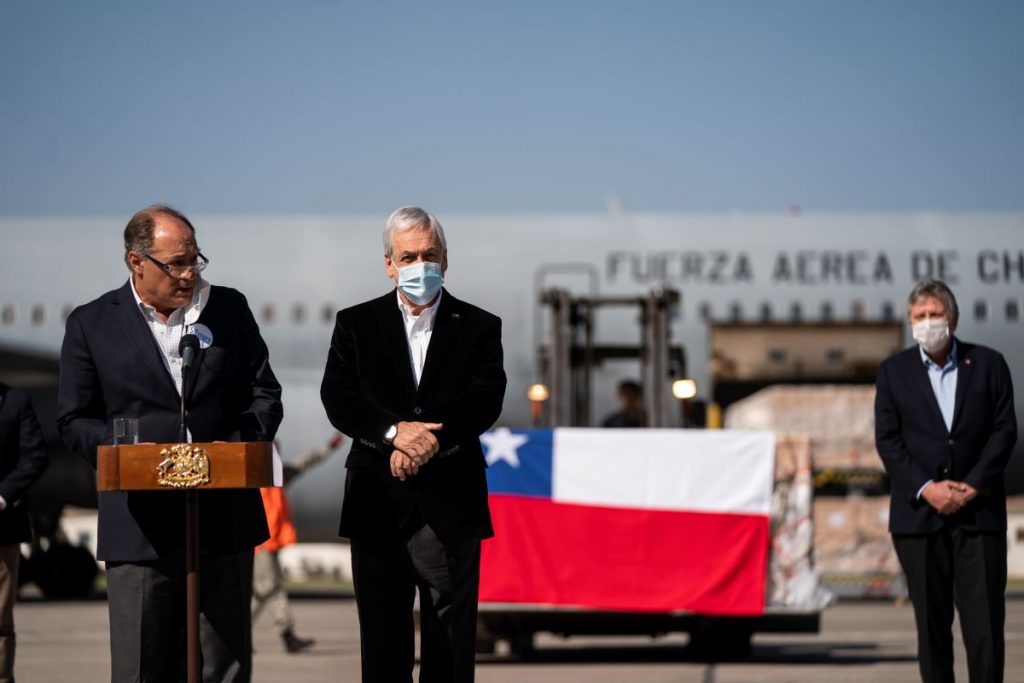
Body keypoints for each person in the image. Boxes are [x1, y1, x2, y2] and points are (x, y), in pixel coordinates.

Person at [56, 204, 283, 683]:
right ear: (136, 262)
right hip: (140, 529)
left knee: (225, 669)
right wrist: (130, 453)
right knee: (143, 668)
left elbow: (265, 393)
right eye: (175, 263)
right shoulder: (91, 323)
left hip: (223, 522)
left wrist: (234, 449)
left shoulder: (229, 308)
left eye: (195, 260)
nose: (188, 273)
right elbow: (74, 420)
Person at [320, 206, 506, 683]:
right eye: (408, 256)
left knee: (450, 645)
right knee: (382, 647)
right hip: (377, 506)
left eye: (428, 254)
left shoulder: (480, 326)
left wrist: (425, 445)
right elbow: (338, 398)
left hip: (449, 503)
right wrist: (393, 435)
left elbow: (484, 401)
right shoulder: (355, 324)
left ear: (445, 258)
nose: (419, 265)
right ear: (389, 264)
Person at [874, 278, 1017, 683]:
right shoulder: (893, 372)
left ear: (952, 318)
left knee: (985, 629)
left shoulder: (989, 364)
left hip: (979, 517)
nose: (928, 322)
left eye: (935, 314)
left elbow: (1004, 431)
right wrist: (927, 489)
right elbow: (888, 441)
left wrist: (972, 486)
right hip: (920, 519)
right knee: (932, 632)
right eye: (920, 316)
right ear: (909, 321)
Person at [252, 433, 344, 654]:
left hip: (273, 542)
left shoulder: (280, 474)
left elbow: (307, 461)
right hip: (261, 543)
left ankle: (245, 633)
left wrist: (329, 448)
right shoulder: (252, 477)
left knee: (265, 590)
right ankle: (286, 635)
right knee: (270, 588)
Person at [0, 384, 48, 683]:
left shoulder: (16, 402)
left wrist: (4, 495)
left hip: (2, 527)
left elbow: (35, 457)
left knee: (0, 619)